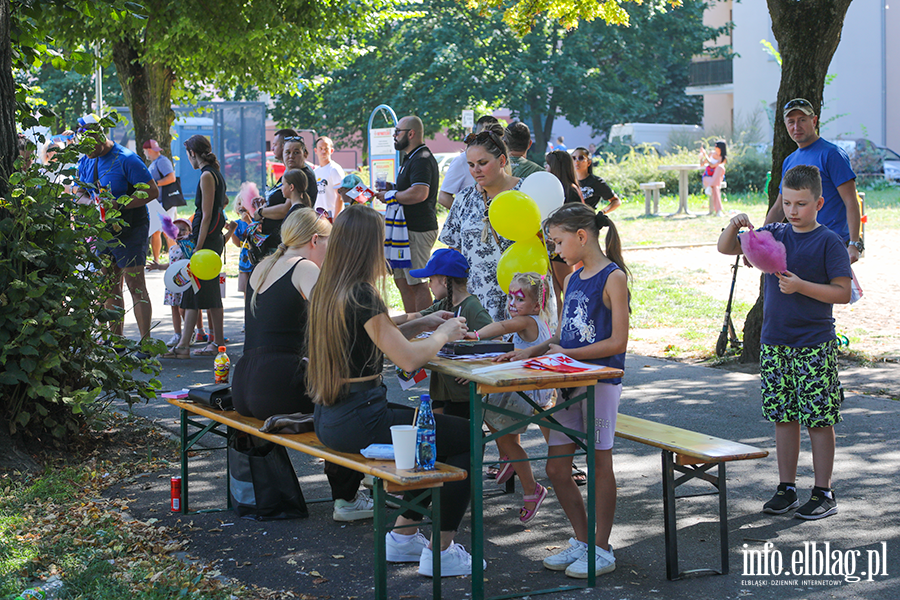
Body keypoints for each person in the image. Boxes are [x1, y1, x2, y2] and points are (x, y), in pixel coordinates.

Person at [307, 204, 479, 577]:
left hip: (333, 417)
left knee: (433, 434)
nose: (385, 250)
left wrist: (423, 320)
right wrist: (442, 333)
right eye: (381, 242)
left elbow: (378, 332)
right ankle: (441, 550)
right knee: (468, 438)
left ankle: (404, 537)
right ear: (366, 246)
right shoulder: (362, 294)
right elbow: (409, 360)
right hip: (361, 420)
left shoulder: (330, 288)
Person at [500, 202, 629, 579]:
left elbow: (618, 341)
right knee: (557, 467)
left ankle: (601, 548)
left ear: (581, 237)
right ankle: (584, 539)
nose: (555, 250)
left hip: (600, 384)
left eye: (557, 242)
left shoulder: (613, 278)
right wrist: (537, 349)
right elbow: (565, 333)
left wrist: (565, 353)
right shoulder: (571, 278)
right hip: (569, 381)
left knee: (599, 462)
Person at [718, 165, 852, 520]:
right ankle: (786, 487)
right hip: (775, 343)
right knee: (783, 418)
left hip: (813, 345)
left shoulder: (829, 242)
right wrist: (735, 225)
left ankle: (823, 492)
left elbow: (843, 292)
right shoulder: (775, 233)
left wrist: (801, 286)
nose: (793, 211)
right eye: (788, 203)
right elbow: (726, 249)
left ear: (819, 203)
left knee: (819, 420)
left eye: (802, 204)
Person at [231, 209, 372, 521]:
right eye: (328, 243)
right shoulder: (304, 267)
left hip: (243, 383)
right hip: (277, 383)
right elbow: (339, 318)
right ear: (314, 240)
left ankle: (357, 487)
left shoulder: (265, 265)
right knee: (347, 407)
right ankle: (347, 498)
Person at [469, 272, 554, 524]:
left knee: (490, 417)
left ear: (536, 305)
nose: (512, 304)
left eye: (519, 299)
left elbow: (504, 326)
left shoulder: (528, 321)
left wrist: (475, 336)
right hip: (526, 389)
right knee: (488, 412)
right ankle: (507, 455)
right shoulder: (534, 320)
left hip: (527, 393)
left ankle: (531, 489)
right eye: (510, 298)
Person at [74, 114, 158, 350]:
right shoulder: (85, 160)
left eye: (90, 148)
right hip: (103, 231)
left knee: (135, 284)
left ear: (100, 137)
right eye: (83, 148)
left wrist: (119, 204)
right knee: (109, 284)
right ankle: (116, 343)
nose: (87, 153)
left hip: (131, 229)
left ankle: (146, 344)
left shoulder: (127, 159)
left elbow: (152, 192)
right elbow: (79, 192)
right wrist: (91, 204)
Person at [439, 126, 522, 323]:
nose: (476, 170)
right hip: (478, 301)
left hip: (521, 297)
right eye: (471, 164)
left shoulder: (525, 192)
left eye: (482, 163)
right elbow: (454, 249)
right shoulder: (464, 197)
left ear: (502, 160)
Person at [763, 98, 862, 263]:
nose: (796, 127)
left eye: (802, 120)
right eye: (791, 122)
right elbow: (779, 208)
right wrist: (761, 242)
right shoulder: (789, 160)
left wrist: (854, 243)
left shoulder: (832, 154)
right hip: (802, 243)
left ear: (814, 121)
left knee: (834, 289)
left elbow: (851, 201)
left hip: (832, 244)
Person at [162, 135, 227, 358]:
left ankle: (190, 345)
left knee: (199, 291)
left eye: (188, 154)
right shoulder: (214, 174)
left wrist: (197, 247)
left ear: (192, 153)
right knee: (200, 292)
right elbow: (221, 204)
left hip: (206, 243)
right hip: (210, 241)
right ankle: (197, 344)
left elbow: (207, 214)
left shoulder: (207, 175)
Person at [408, 249, 492, 418]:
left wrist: (480, 371)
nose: (429, 285)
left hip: (462, 394)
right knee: (439, 434)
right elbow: (417, 316)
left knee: (462, 438)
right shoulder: (443, 304)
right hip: (442, 390)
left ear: (445, 281)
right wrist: (382, 320)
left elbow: (496, 340)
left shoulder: (472, 308)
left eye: (431, 280)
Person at [375, 115, 439, 313]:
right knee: (402, 281)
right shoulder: (410, 158)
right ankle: (411, 325)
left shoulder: (422, 158)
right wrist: (392, 188)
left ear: (411, 134)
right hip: (403, 231)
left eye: (397, 132)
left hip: (417, 230)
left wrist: (391, 195)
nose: (394, 136)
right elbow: (410, 188)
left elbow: (420, 193)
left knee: (417, 283)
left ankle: (424, 330)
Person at [258, 130, 318, 259]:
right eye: (288, 152)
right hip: (277, 241)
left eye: (296, 152)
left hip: (287, 242)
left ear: (305, 154)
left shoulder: (301, 175)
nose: (291, 156)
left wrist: (260, 212)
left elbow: (286, 209)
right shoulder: (290, 172)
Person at [546, 150, 585, 317]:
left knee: (567, 290)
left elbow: (576, 220)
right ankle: (558, 329)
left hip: (562, 246)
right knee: (553, 294)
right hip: (549, 246)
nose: (545, 168)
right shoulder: (551, 189)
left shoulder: (570, 190)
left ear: (556, 167)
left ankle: (573, 322)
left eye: (547, 164)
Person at [147, 218, 193, 348]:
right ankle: (177, 334)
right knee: (174, 308)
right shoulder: (172, 248)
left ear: (190, 231)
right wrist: (159, 266)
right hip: (173, 283)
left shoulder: (189, 247)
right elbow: (171, 264)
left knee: (183, 309)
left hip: (185, 283)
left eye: (183, 230)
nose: (179, 232)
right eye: (176, 229)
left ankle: (189, 332)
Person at [438, 115, 499, 209]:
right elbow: (443, 197)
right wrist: (467, 215)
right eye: (471, 165)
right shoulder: (462, 160)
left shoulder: (504, 159)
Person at [143, 139, 179, 261]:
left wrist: (155, 184)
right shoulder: (153, 163)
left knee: (168, 232)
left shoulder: (162, 161)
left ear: (148, 150)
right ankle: (156, 260)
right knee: (155, 232)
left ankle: (175, 258)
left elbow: (171, 177)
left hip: (166, 203)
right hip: (157, 203)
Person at [573, 147, 619, 214]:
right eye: (573, 158)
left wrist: (602, 213)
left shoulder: (596, 182)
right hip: (569, 221)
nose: (576, 161)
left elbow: (616, 201)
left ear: (589, 162)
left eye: (581, 158)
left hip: (587, 220)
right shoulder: (567, 180)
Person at [313, 136, 346, 218]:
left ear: (331, 150)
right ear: (315, 151)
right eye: (320, 148)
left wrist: (336, 217)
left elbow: (340, 195)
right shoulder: (315, 172)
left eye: (326, 148)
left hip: (332, 216)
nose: (323, 151)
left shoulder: (334, 169)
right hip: (319, 217)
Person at [700, 140, 727, 216]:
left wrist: (706, 156)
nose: (715, 148)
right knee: (715, 187)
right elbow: (702, 164)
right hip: (708, 177)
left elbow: (712, 165)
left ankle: (709, 186)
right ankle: (719, 211)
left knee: (720, 167)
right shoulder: (711, 154)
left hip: (717, 178)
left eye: (716, 146)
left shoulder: (723, 158)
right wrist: (702, 156)